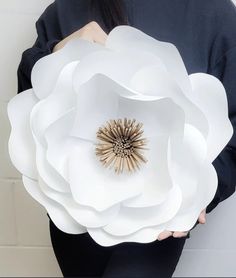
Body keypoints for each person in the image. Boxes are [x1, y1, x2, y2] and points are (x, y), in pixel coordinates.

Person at [16, 0, 236, 277]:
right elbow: (31, 105)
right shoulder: (65, 10)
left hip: (157, 223)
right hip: (76, 216)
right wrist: (55, 52)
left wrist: (202, 191)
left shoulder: (213, 14)